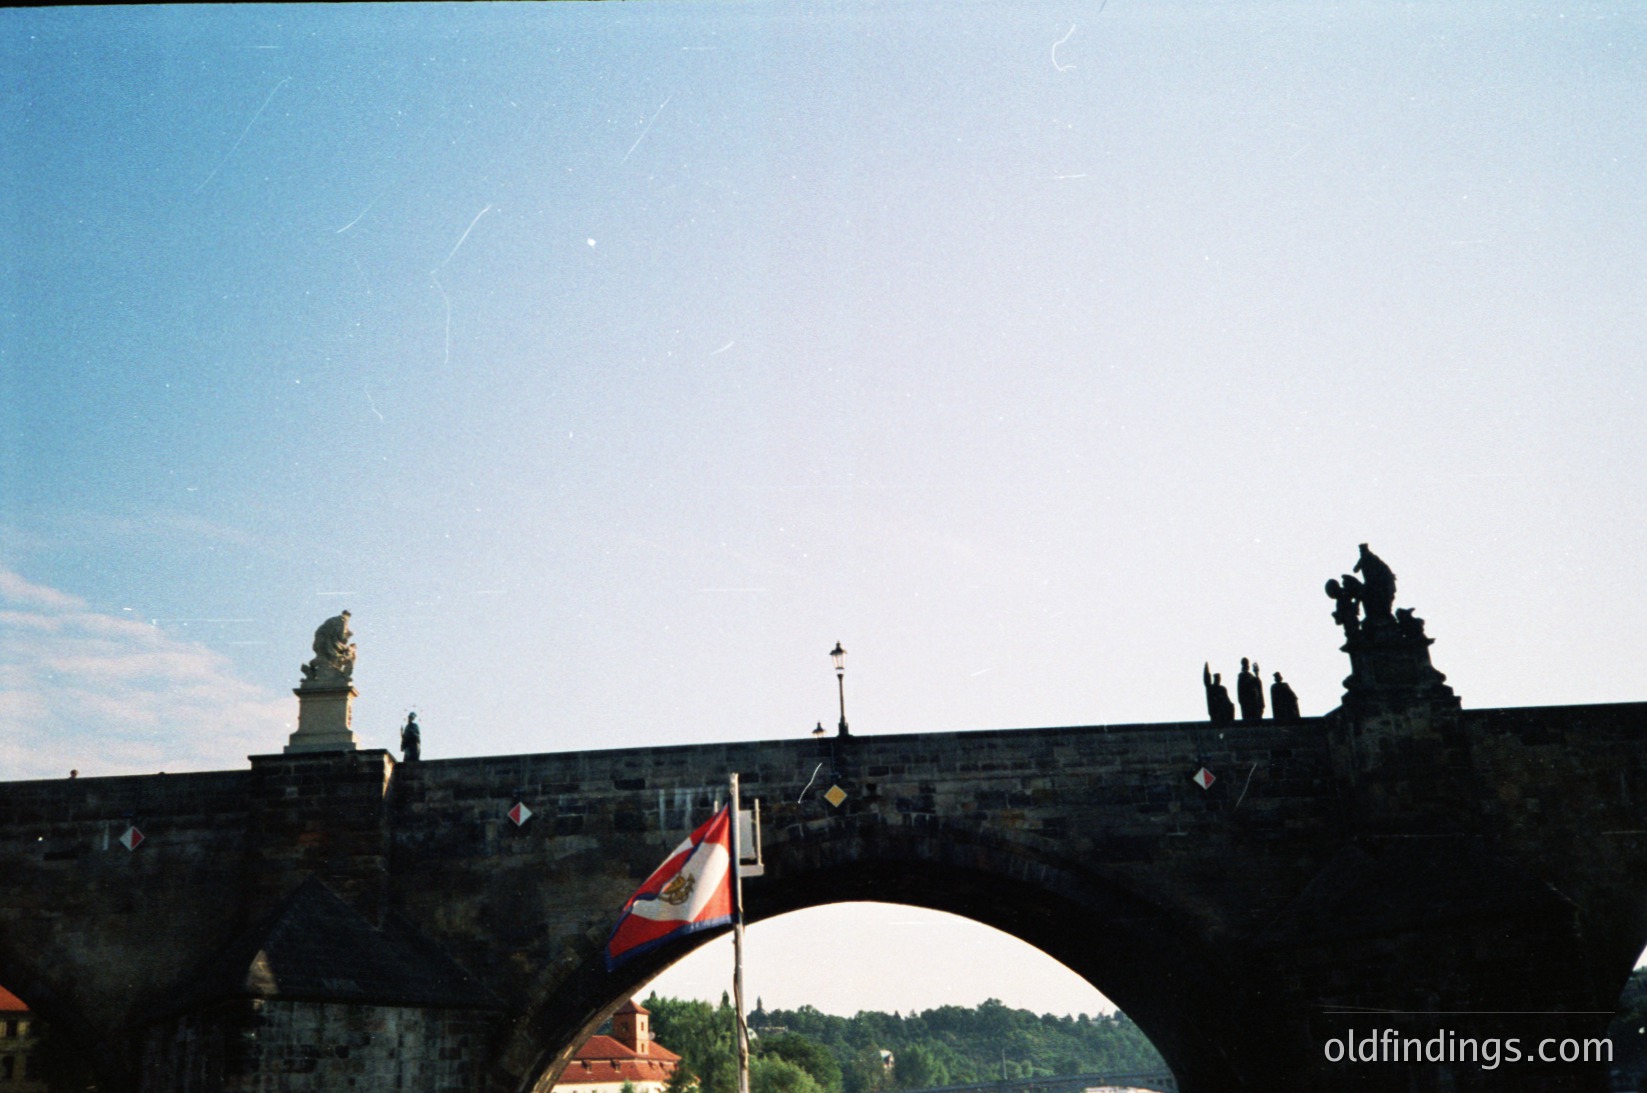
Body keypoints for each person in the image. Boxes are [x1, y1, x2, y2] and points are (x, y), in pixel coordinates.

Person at [1354, 544, 1396, 620]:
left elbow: (1380, 571)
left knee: (1365, 593)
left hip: (1377, 582)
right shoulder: (1364, 558)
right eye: (1361, 551)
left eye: (1363, 550)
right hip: (1371, 581)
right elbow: (1355, 570)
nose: (1362, 552)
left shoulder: (1371, 558)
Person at [1237, 657, 1266, 721]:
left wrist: (1256, 673)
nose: (1247, 666)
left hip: (1254, 700)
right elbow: (1241, 690)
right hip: (1247, 701)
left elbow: (1257, 683)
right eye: (1245, 664)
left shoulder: (1251, 676)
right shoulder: (1242, 676)